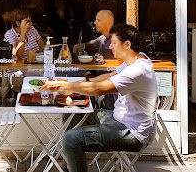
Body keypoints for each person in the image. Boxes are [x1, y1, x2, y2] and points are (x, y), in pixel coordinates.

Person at [42, 24, 158, 172]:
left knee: (71, 140)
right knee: (72, 115)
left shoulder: (138, 71)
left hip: (131, 132)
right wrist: (73, 83)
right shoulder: (136, 59)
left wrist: (66, 87)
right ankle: (72, 166)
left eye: (114, 43)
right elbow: (108, 77)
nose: (110, 46)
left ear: (127, 44)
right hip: (117, 119)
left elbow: (98, 90)